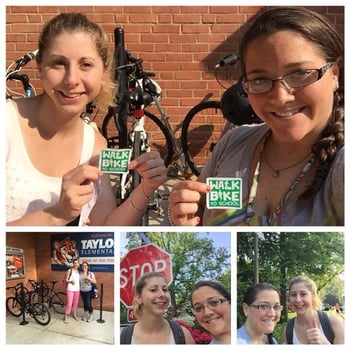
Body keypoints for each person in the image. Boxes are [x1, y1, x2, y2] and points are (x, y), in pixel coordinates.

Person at [168, 6, 344, 226]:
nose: (280, 98)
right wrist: (183, 215)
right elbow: (199, 219)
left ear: (335, 74)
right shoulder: (233, 142)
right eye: (260, 80)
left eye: (300, 73)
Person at [6, 12, 167, 226]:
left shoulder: (95, 144)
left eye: (86, 65)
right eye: (58, 63)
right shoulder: (6, 123)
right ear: (40, 68)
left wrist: (145, 189)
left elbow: (105, 227)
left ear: (103, 72)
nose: (72, 79)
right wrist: (57, 214)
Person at [120, 271, 194, 344]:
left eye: (165, 289)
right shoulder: (124, 337)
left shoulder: (183, 335)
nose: (162, 294)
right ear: (139, 297)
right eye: (153, 290)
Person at [283, 275, 344, 344]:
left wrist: (325, 344)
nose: (298, 300)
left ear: (313, 296)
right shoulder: (288, 329)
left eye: (303, 294)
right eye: (293, 295)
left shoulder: (335, 323)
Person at [63, 258, 80, 323]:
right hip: (70, 289)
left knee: (75, 303)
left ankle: (74, 315)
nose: (76, 264)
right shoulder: (70, 270)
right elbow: (66, 280)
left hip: (77, 289)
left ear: (78, 264)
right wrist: (70, 281)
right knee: (69, 304)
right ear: (73, 264)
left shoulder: (78, 271)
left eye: (77, 263)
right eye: (75, 263)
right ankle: (66, 316)